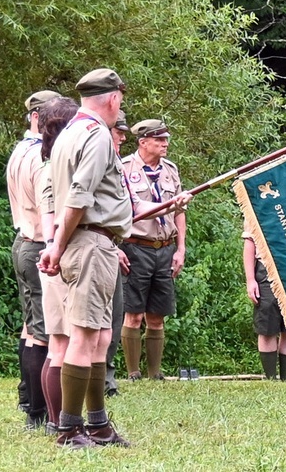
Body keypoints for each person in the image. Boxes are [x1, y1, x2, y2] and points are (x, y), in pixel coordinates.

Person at [38, 68, 132, 448]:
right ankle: (70, 430)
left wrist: (56, 241)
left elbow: (51, 191)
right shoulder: (96, 136)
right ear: (112, 98)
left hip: (82, 241)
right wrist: (57, 245)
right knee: (84, 335)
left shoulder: (68, 135)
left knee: (95, 337)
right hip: (90, 242)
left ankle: (97, 425)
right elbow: (79, 193)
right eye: (120, 101)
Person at [6, 89, 61, 429]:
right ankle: (38, 413)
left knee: (30, 328)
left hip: (23, 240)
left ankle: (29, 398)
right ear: (39, 118)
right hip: (39, 243)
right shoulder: (41, 157)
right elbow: (47, 210)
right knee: (43, 332)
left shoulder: (19, 150)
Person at [120, 119, 187, 381]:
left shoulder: (170, 170)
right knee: (134, 313)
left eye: (166, 139)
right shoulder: (124, 169)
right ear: (143, 142)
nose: (165, 144)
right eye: (159, 140)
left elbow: (180, 212)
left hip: (165, 248)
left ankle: (154, 373)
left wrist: (180, 249)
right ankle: (133, 372)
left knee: (158, 314)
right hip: (136, 247)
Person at [36, 95, 79, 435]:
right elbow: (52, 218)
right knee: (61, 343)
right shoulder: (53, 168)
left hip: (55, 252)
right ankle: (58, 422)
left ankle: (57, 421)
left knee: (58, 343)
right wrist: (56, 249)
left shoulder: (52, 162)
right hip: (57, 256)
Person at [243, 221, 286, 380]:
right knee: (267, 328)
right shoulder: (257, 205)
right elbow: (249, 243)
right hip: (266, 269)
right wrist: (250, 279)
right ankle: (271, 380)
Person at [104, 110, 131, 397]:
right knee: (95, 323)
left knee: (114, 318)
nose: (123, 136)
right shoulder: (97, 159)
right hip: (96, 247)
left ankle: (106, 381)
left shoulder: (114, 163)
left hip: (111, 246)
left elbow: (129, 208)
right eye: (118, 130)